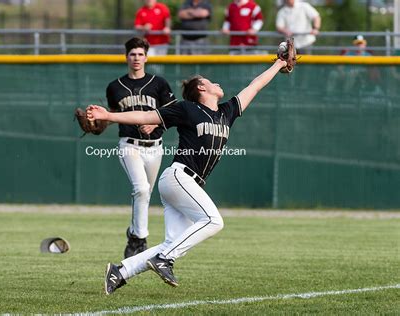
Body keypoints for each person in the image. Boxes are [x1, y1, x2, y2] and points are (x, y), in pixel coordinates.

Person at [87, 57, 289, 295]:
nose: (217, 84)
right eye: (210, 81)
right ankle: (165, 260)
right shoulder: (187, 109)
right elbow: (145, 117)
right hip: (179, 177)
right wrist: (109, 116)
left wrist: (278, 64)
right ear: (201, 88)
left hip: (185, 183)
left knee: (171, 242)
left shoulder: (227, 112)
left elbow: (255, 85)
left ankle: (120, 271)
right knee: (214, 221)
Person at [106, 37, 177, 259]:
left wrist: (156, 122)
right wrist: (98, 121)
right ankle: (140, 240)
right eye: (132, 54)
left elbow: (174, 113)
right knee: (141, 189)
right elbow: (112, 115)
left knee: (145, 193)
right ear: (126, 57)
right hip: (129, 146)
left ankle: (134, 233)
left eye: (140, 54)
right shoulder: (115, 87)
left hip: (155, 147)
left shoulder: (159, 84)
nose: (136, 58)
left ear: (146, 57)